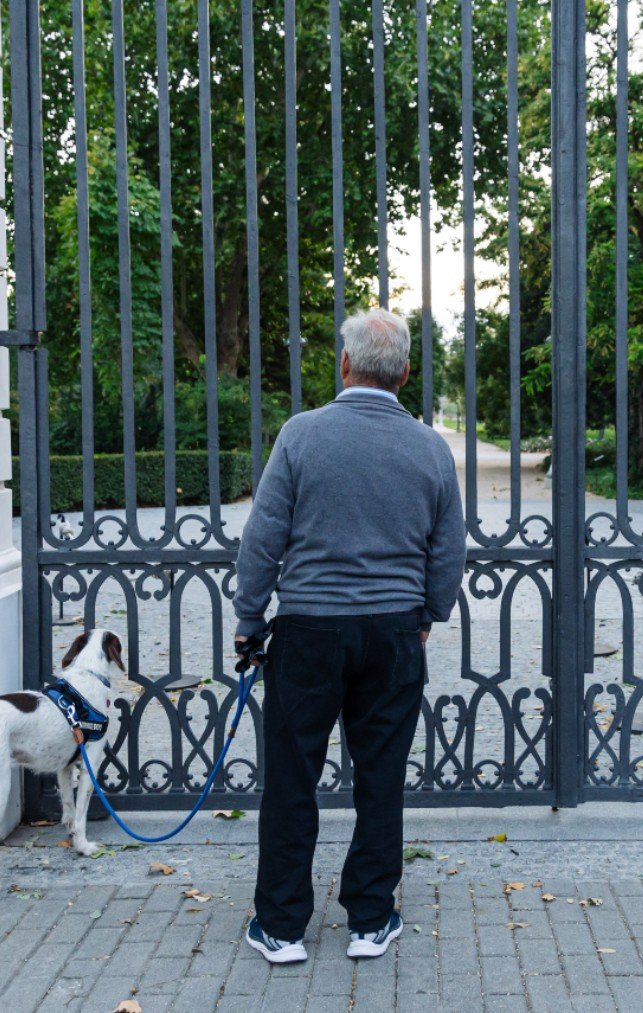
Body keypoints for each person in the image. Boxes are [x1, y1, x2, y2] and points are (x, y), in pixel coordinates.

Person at [232, 308, 465, 963]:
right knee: (381, 776)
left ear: (343, 364)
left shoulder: (301, 436)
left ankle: (279, 925)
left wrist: (250, 624)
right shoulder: (429, 448)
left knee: (291, 777)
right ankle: (370, 918)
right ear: (406, 373)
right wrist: (427, 614)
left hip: (307, 630)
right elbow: (449, 550)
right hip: (392, 632)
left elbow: (262, 541)